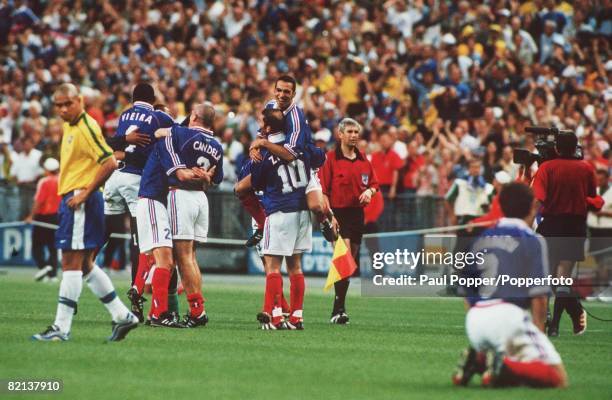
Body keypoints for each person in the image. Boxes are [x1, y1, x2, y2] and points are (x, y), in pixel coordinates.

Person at [32, 83, 138, 342]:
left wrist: (85, 193)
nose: (63, 109)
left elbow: (110, 161)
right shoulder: (70, 126)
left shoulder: (86, 126)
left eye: (68, 103)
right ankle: (123, 316)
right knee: (85, 264)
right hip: (74, 198)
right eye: (59, 105)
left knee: (69, 262)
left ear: (79, 100)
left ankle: (61, 328)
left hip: (80, 199)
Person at [453, 182, 567, 388]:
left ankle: (480, 359)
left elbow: (466, 287)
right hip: (508, 316)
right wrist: (539, 334)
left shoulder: (481, 238)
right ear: (534, 206)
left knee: (517, 361)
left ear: (500, 205)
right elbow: (539, 294)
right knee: (557, 377)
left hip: (475, 320)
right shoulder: (531, 239)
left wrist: (478, 317)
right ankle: (500, 365)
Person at [103, 83, 174, 322]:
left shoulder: (124, 114)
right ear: (153, 100)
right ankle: (137, 300)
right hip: (136, 180)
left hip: (114, 176)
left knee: (104, 232)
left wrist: (124, 143)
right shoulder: (158, 116)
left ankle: (81, 267)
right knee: (141, 242)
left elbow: (111, 143)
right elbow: (183, 131)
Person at [242, 75, 335, 246]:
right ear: (274, 90)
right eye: (279, 90)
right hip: (278, 163)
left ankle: (325, 219)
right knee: (240, 188)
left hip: (302, 164)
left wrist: (263, 143)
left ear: (293, 94)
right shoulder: (270, 105)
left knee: (316, 207)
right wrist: (254, 146)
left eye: (286, 92)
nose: (281, 95)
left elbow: (290, 154)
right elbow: (262, 130)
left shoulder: (296, 118)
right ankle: (262, 225)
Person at [157, 103, 223, 327]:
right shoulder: (216, 145)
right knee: (191, 257)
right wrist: (205, 178)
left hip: (181, 196)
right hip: (201, 198)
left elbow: (158, 133)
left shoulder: (182, 133)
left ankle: (197, 311)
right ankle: (197, 308)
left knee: (183, 256)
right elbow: (216, 178)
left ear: (194, 115)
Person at [249, 108, 314, 330]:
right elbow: (318, 157)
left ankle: (274, 315)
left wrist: (256, 155)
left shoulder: (265, 153)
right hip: (303, 212)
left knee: (273, 266)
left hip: (279, 211)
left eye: (261, 123)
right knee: (295, 267)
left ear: (267, 128)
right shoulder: (300, 148)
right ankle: (297, 316)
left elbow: (256, 184)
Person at [531, 133, 597, 336]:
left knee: (549, 275)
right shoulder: (586, 168)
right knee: (563, 277)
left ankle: (549, 320)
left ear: (557, 148)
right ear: (576, 147)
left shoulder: (547, 168)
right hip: (574, 226)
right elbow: (592, 197)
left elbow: (538, 198)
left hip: (551, 224)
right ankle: (556, 326)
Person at [318, 118, 379, 324]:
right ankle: (339, 310)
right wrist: (330, 216)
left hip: (356, 215)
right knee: (343, 259)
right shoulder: (330, 160)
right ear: (340, 134)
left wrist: (369, 192)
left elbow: (374, 184)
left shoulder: (364, 161)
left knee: (348, 264)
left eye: (356, 132)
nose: (354, 135)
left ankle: (338, 308)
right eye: (350, 131)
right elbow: (323, 192)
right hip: (338, 214)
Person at [25, 157, 61, 282]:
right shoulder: (62, 180)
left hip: (43, 218)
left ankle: (44, 266)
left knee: (37, 246)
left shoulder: (44, 181)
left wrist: (30, 216)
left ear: (46, 169)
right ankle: (53, 275)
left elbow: (39, 201)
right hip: (57, 217)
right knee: (53, 247)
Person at [586, 169, 612, 301]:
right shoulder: (593, 191)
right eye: (597, 179)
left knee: (606, 261)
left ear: (608, 178)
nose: (599, 181)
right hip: (594, 230)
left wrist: (603, 214)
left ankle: (607, 290)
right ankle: (596, 290)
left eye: (601, 179)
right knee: (596, 261)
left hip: (608, 231)